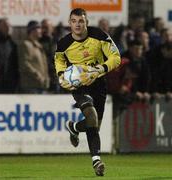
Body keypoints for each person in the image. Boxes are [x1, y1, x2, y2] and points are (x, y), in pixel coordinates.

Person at [54, 8, 121, 176]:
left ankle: (74, 127)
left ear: (87, 22)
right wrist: (61, 76)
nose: (77, 24)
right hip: (79, 86)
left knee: (94, 123)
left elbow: (116, 57)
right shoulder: (63, 44)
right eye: (74, 21)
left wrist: (99, 69)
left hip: (98, 83)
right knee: (91, 115)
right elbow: (59, 62)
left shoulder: (99, 35)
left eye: (81, 21)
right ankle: (96, 160)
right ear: (69, 23)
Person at [18, 20, 50, 93]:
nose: (41, 31)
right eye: (39, 28)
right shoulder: (25, 45)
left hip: (41, 85)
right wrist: (38, 76)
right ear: (32, 30)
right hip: (31, 86)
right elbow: (24, 64)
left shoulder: (39, 45)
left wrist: (46, 79)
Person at [0, 17, 19, 93]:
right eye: (5, 25)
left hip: (10, 83)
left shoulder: (13, 44)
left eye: (9, 25)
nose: (8, 28)